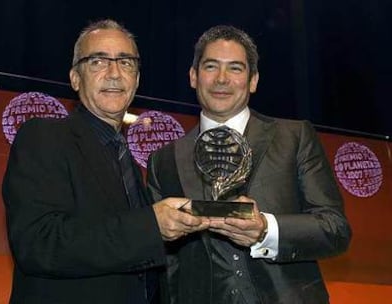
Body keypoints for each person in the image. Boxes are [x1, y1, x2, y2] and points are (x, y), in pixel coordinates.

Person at [2, 19, 208, 304]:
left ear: (137, 79)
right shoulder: (44, 136)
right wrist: (151, 225)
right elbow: (39, 243)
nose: (114, 73)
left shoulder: (131, 164)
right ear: (75, 78)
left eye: (126, 62)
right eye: (98, 61)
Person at [147, 25, 352, 304]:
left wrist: (266, 230)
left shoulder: (294, 137)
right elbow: (167, 267)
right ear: (193, 77)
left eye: (235, 68)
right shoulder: (163, 160)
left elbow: (335, 229)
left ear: (253, 80)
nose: (221, 79)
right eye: (211, 67)